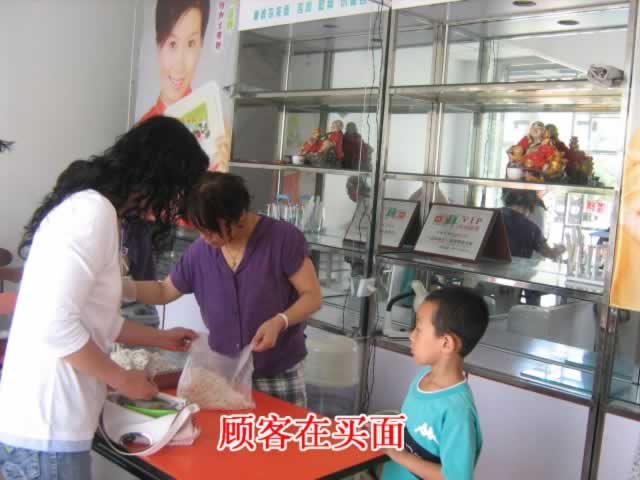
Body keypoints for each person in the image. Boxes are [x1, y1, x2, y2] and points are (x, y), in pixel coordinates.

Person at [0, 116, 208, 479]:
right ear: (160, 176)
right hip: (47, 429)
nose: (177, 202)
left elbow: (96, 320)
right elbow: (55, 326)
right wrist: (123, 379)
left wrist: (160, 337)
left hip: (46, 429)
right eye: (179, 189)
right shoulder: (92, 213)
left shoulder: (98, 211)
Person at [130, 172, 323, 406]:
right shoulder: (201, 251)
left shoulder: (282, 239)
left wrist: (280, 321)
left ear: (238, 215)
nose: (205, 238)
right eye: (200, 230)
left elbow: (312, 296)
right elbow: (164, 291)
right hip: (225, 374)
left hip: (277, 372)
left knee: (280, 429)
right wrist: (121, 286)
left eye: (212, 230)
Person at [382, 287, 488, 480]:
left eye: (419, 329)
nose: (411, 335)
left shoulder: (457, 411)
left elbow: (455, 477)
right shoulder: (422, 378)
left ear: (446, 343)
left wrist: (399, 456)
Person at [139, 0, 229, 170]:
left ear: (201, 46)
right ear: (158, 45)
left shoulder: (218, 128)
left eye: (191, 43)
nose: (180, 65)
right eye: (172, 44)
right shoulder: (142, 130)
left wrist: (220, 176)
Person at [501, 189, 565, 260]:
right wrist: (559, 249)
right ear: (527, 207)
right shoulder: (531, 228)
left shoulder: (494, 214)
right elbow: (550, 253)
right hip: (518, 266)